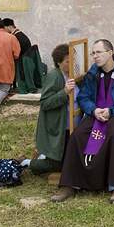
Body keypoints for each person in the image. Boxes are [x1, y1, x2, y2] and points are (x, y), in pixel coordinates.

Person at [51, 39, 114, 204]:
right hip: (96, 114)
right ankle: (69, 184)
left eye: (99, 52)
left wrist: (112, 111)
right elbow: (83, 97)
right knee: (77, 135)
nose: (95, 56)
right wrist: (93, 110)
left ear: (110, 53)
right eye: (93, 53)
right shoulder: (93, 74)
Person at [20, 44, 81, 175]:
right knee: (57, 164)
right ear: (59, 63)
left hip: (73, 128)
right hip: (59, 129)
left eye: (73, 60)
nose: (72, 63)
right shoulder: (54, 76)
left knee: (73, 161)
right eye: (67, 61)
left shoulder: (75, 74)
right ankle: (28, 163)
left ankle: (46, 156)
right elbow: (45, 103)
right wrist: (64, 92)